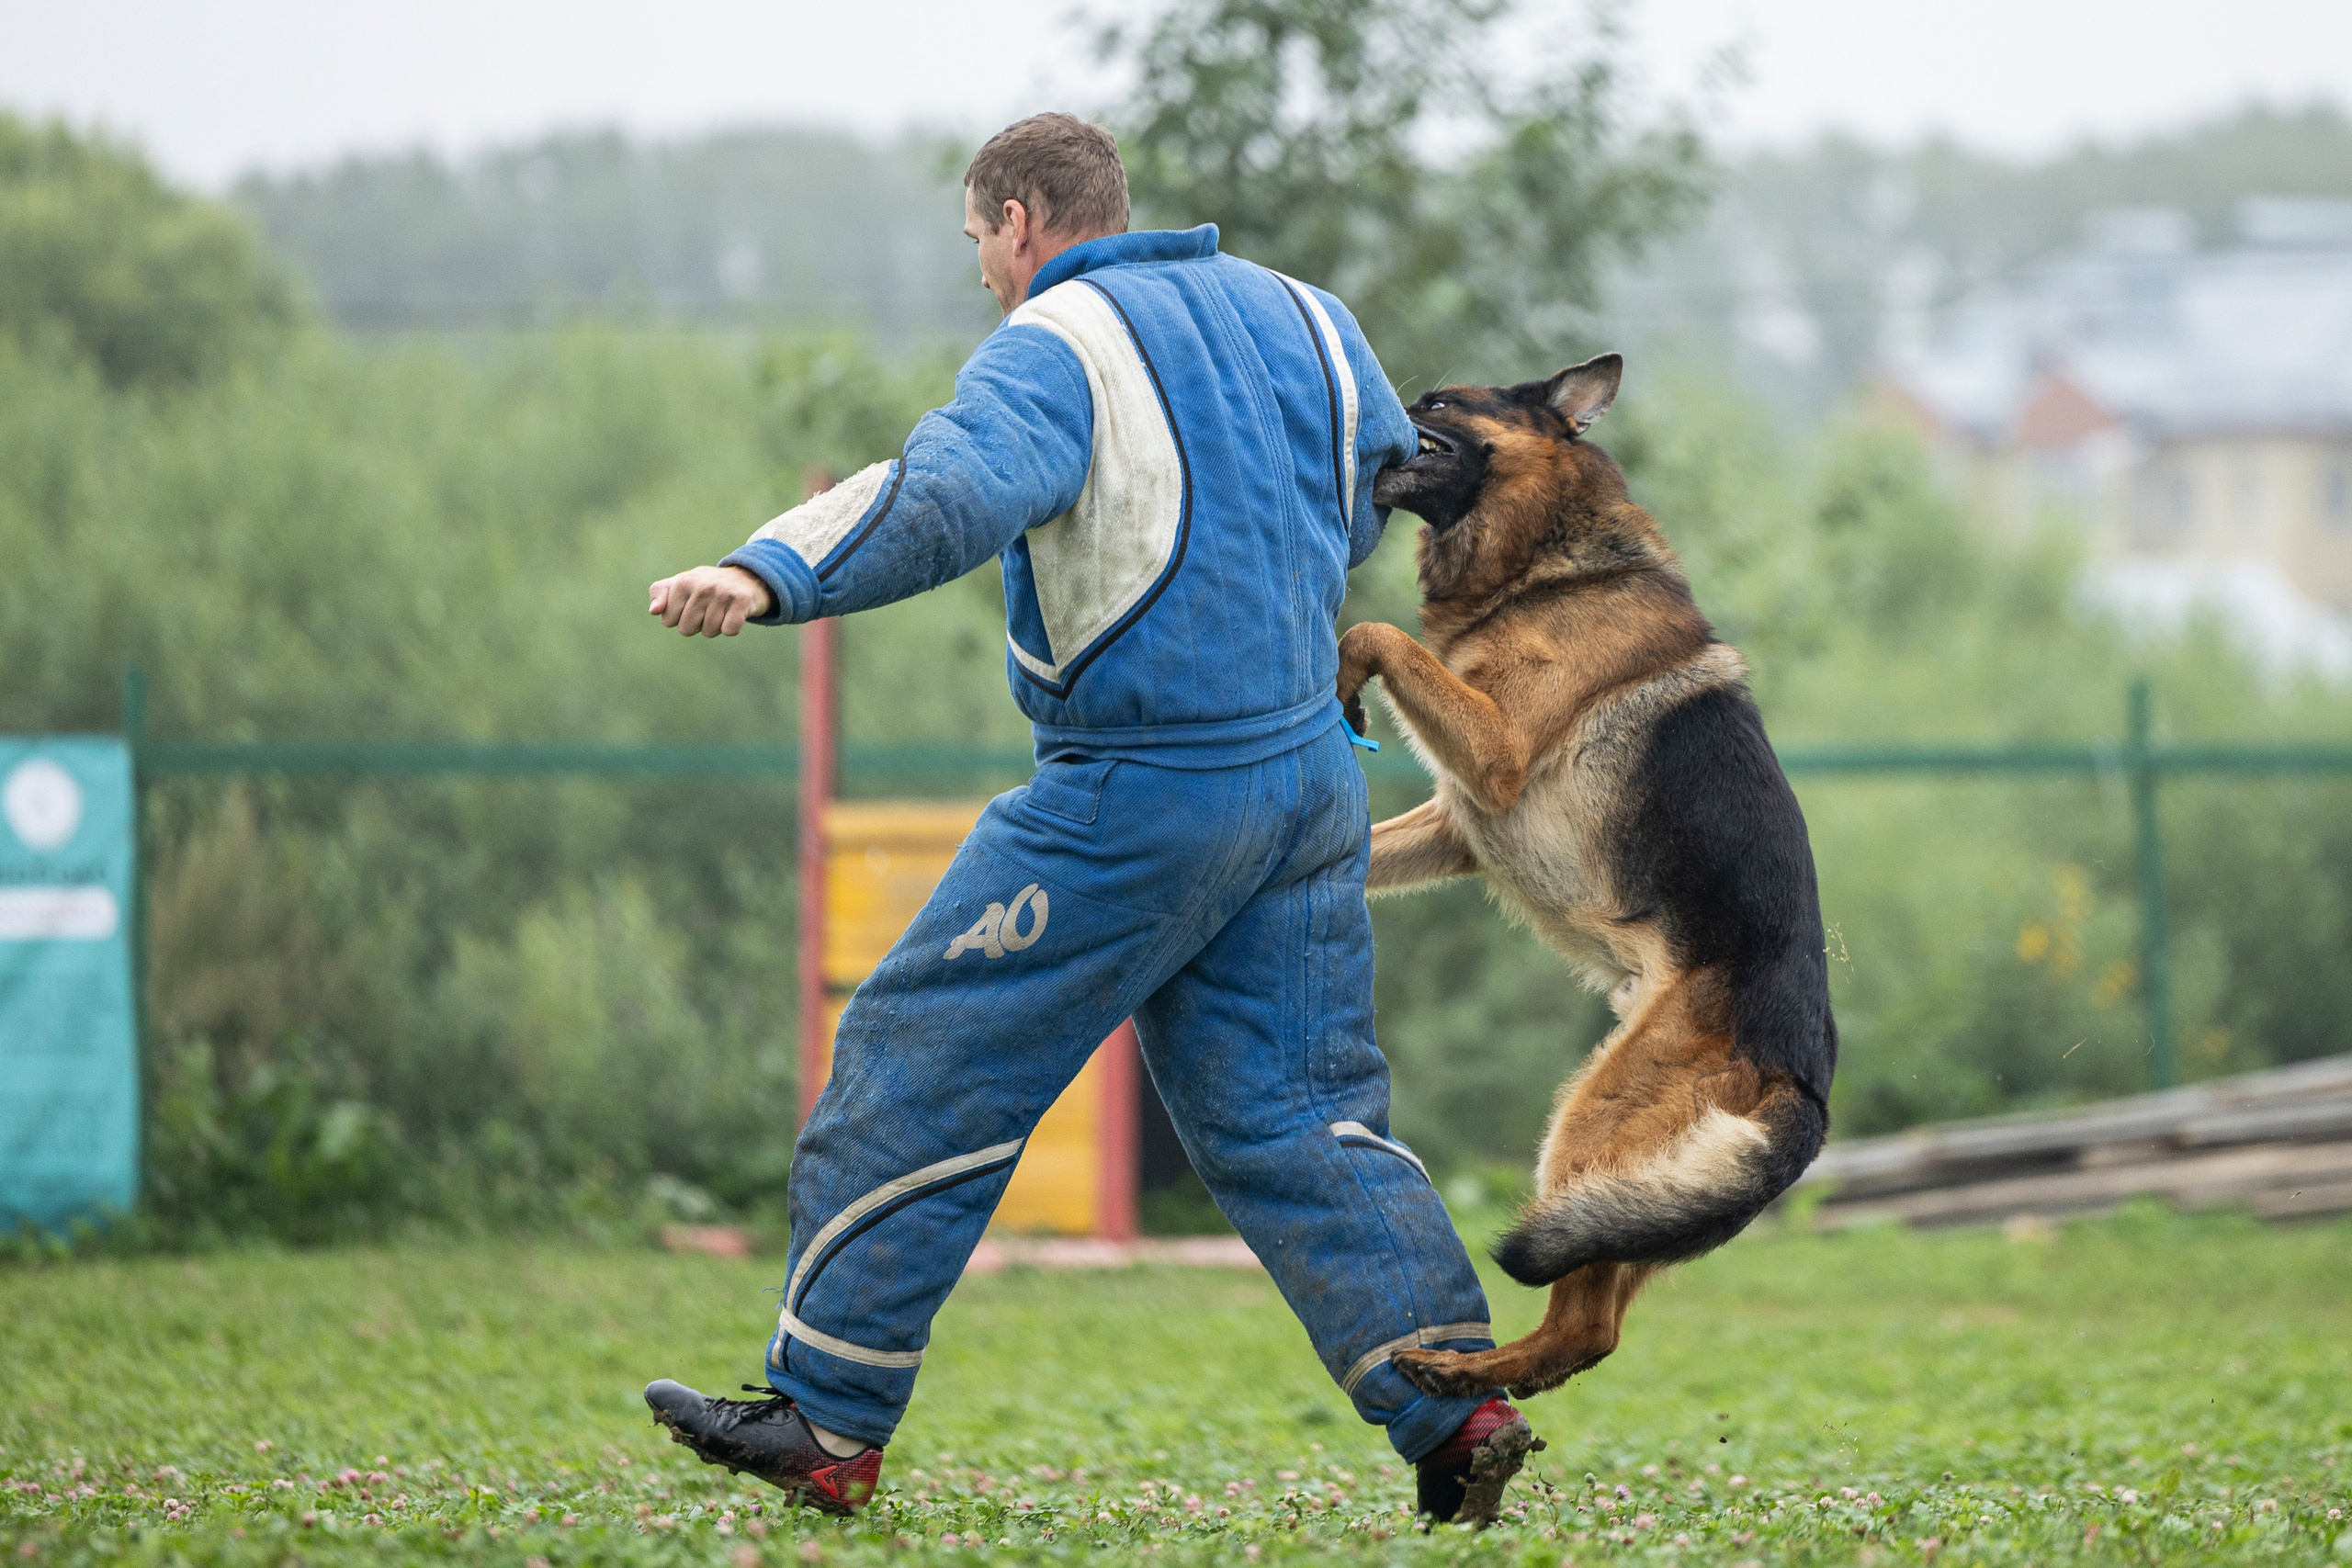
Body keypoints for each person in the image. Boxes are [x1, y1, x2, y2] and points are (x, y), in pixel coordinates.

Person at [641, 111, 1533, 1528]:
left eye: (978, 247)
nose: (985, 277)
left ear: (1017, 222)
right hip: (1308, 780)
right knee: (1300, 1117)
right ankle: (1458, 1406)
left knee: (921, 1055)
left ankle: (826, 1416)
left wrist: (767, 573)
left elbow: (948, 494)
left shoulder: (1058, 344)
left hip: (1137, 792)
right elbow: (1385, 486)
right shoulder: (1310, 317)